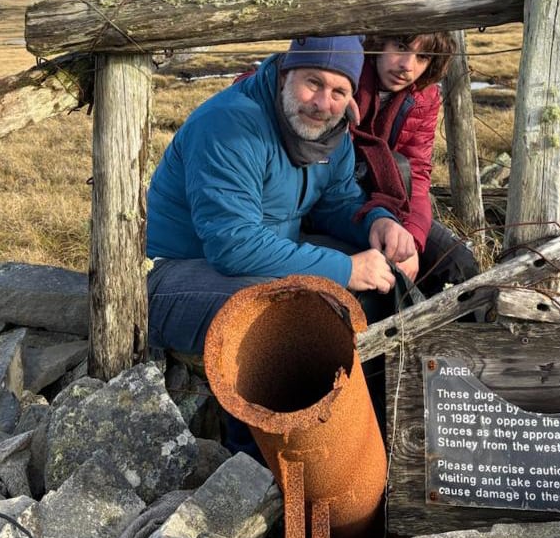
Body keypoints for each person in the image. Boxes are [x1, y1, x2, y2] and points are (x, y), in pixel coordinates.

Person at [145, 34, 419, 359]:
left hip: (261, 260)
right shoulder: (229, 126)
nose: (322, 103)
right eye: (313, 83)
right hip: (170, 272)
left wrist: (376, 223)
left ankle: (392, 401)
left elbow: (338, 202)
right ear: (287, 74)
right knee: (294, 320)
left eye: (338, 92)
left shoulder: (331, 131)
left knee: (385, 282)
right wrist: (346, 269)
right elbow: (234, 245)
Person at [351, 33, 479, 294]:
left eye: (422, 57)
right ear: (379, 43)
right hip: (339, 201)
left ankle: (447, 334)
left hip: (390, 200)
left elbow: (417, 170)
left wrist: (412, 235)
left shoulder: (425, 96)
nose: (407, 66)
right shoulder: (346, 76)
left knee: (458, 264)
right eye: (400, 47)